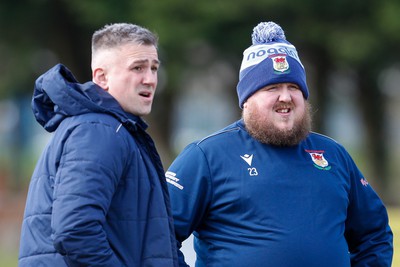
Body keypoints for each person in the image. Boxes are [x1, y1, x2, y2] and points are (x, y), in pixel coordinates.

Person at [166, 21, 393, 267]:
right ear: (247, 99)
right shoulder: (206, 156)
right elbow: (159, 236)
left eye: (293, 87)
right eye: (272, 87)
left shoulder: (334, 154)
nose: (285, 96)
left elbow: (375, 234)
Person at [18, 23, 178, 266]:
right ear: (102, 77)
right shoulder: (99, 131)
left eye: (154, 68)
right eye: (138, 68)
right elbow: (75, 231)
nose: (151, 79)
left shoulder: (117, 129)